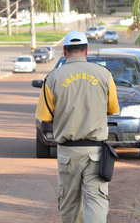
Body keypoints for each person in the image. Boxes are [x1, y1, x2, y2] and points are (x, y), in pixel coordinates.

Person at [35, 30, 120, 223]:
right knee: (96, 200)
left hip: (67, 153)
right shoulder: (104, 75)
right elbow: (113, 109)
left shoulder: (53, 78)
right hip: (96, 152)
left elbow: (45, 117)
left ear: (64, 51)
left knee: (69, 203)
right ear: (86, 51)